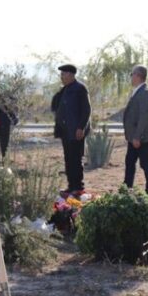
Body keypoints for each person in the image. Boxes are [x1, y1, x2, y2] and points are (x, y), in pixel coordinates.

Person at [51, 64, 91, 197]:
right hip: (66, 132)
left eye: (64, 74)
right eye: (61, 74)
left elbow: (86, 110)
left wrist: (81, 127)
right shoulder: (65, 89)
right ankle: (71, 186)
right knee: (68, 159)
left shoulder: (80, 88)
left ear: (71, 75)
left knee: (76, 159)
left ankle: (78, 187)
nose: (61, 77)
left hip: (76, 132)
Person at [123, 65, 148, 196]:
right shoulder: (138, 91)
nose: (131, 77)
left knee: (146, 165)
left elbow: (144, 117)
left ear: (138, 75)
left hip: (141, 138)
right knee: (130, 163)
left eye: (132, 74)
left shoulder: (145, 92)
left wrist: (137, 136)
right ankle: (126, 190)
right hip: (134, 137)